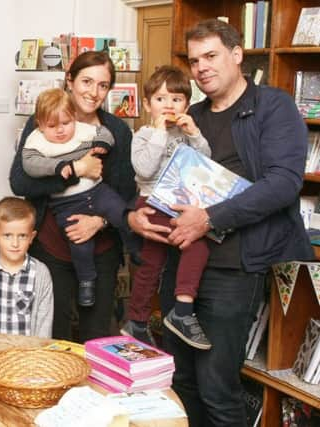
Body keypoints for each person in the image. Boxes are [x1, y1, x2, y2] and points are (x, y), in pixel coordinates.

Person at [127, 19, 314, 426]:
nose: (201, 68)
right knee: (180, 382)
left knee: (217, 387)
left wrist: (208, 217)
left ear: (237, 54)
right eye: (194, 61)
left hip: (235, 268)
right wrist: (133, 215)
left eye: (210, 56)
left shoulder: (274, 106)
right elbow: (151, 173)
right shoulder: (186, 113)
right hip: (179, 269)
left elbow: (283, 183)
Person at [10, 50, 137, 343]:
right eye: (86, 81)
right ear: (70, 80)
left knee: (95, 336)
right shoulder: (42, 121)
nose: (93, 92)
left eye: (103, 85)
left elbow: (125, 193)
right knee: (53, 333)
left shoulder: (114, 130)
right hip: (51, 247)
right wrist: (77, 170)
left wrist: (99, 222)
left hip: (101, 249)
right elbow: (20, 182)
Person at [121, 65, 212, 351]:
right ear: (148, 105)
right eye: (161, 99)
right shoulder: (144, 135)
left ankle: (167, 314)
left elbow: (204, 164)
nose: (168, 105)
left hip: (180, 201)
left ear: (186, 104)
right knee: (153, 262)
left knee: (185, 250)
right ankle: (146, 319)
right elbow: (145, 170)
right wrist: (160, 132)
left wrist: (195, 134)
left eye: (176, 99)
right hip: (153, 201)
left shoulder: (186, 134)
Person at [21, 88, 132, 307]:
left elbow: (104, 134)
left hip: (98, 195)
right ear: (40, 125)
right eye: (52, 126)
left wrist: (102, 144)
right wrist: (66, 168)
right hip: (66, 206)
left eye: (103, 84)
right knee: (80, 244)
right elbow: (27, 170)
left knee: (123, 214)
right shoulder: (36, 139)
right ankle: (87, 282)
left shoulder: (90, 128)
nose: (60, 131)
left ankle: (137, 250)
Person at [0, 197, 53, 338]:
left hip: (26, 354)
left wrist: (39, 353)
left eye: (22, 236)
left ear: (32, 237)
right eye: (7, 235)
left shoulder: (41, 273)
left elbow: (44, 321)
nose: (15, 243)